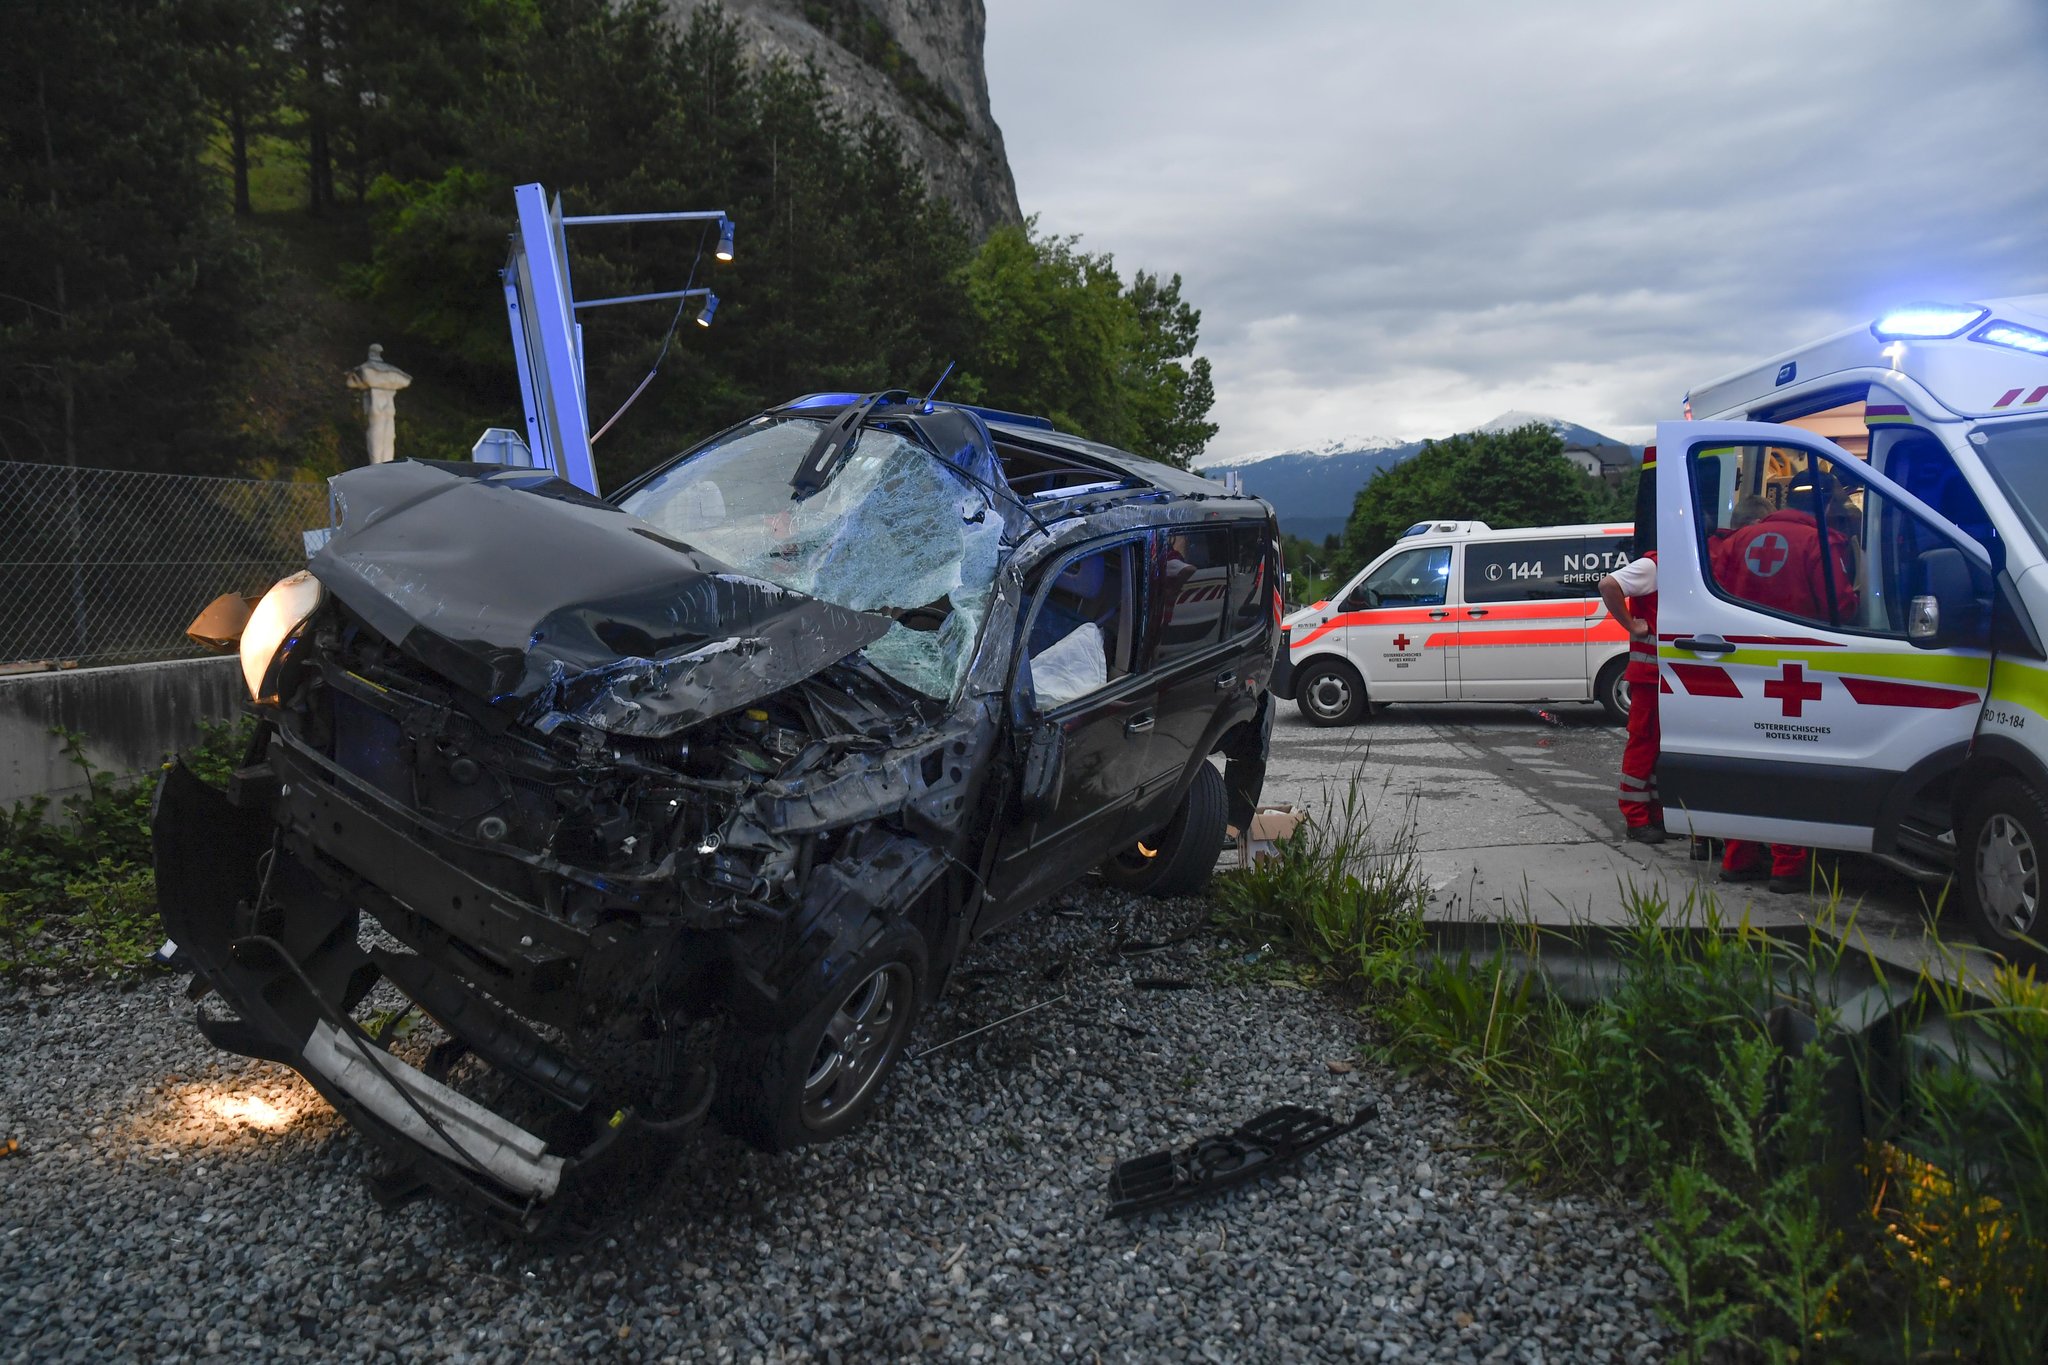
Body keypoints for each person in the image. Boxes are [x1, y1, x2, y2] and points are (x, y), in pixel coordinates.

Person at [1709, 484, 1856, 893]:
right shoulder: (1820, 543)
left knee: (1747, 764)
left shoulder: (1736, 541)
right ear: (1826, 504)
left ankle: (1738, 858)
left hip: (1740, 668)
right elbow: (1839, 607)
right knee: (1789, 766)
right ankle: (1787, 867)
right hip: (1799, 669)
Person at [1599, 551, 1663, 843]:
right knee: (1643, 745)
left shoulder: (1677, 564)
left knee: (1659, 750)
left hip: (1667, 677)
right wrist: (1632, 624)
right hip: (1650, 676)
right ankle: (1636, 819)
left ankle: (1655, 814)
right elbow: (1608, 585)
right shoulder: (1653, 565)